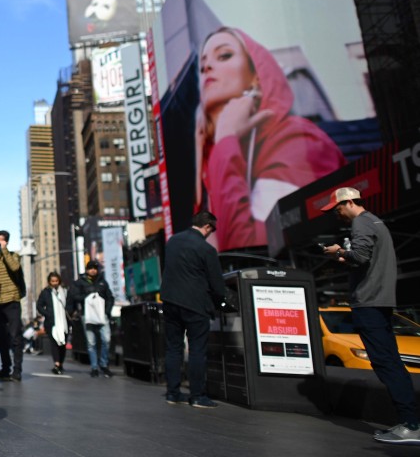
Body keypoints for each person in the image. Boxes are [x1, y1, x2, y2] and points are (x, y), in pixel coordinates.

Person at [195, 27, 345, 251]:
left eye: (224, 55)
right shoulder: (213, 157)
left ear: (256, 75)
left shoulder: (295, 138)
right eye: (201, 65)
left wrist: (225, 138)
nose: (207, 67)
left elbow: (251, 248)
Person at [322, 188, 419, 445]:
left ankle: (411, 424)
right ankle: (409, 421)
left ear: (350, 202)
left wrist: (338, 253)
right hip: (381, 300)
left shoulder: (361, 223)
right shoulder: (376, 222)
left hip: (369, 302)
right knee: (391, 362)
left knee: (385, 363)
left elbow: (360, 256)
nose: (337, 213)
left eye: (337, 208)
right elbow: (365, 259)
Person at [160, 210, 225, 409]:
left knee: (173, 348)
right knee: (197, 350)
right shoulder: (206, 249)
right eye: (211, 231)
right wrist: (220, 301)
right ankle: (197, 396)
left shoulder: (173, 241)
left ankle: (173, 393)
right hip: (195, 305)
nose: (210, 234)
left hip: (170, 301)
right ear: (207, 227)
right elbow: (217, 284)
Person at [67, 260, 115, 378]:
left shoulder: (102, 282)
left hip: (102, 315)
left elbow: (110, 297)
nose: (93, 270)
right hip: (87, 315)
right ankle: (94, 367)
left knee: (106, 339)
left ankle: (103, 364)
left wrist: (107, 311)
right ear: (87, 269)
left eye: (95, 268)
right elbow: (73, 296)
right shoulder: (79, 282)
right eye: (91, 268)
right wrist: (88, 297)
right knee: (91, 342)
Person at [0, 230, 25, 382]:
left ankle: (17, 371)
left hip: (12, 301)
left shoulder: (13, 256)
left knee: (15, 337)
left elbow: (15, 268)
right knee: (1, 338)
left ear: (5, 242)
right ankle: (6, 368)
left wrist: (4, 249)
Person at [37, 272, 70, 375]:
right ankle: (56, 364)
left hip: (64, 322)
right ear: (49, 282)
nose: (55, 283)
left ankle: (60, 363)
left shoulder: (65, 291)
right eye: (53, 281)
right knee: (54, 343)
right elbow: (39, 306)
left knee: (63, 345)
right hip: (52, 323)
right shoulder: (45, 292)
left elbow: (70, 304)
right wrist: (47, 314)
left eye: (56, 281)